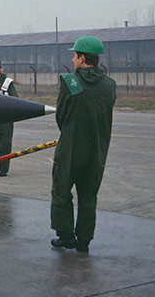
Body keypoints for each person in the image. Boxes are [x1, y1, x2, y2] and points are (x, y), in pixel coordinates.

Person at [50, 36, 116, 252]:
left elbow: (61, 115)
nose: (72, 58)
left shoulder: (71, 81)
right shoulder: (110, 85)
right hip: (98, 148)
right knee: (88, 194)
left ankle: (66, 235)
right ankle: (85, 240)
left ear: (82, 57)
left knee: (62, 189)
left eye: (74, 55)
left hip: (71, 145)